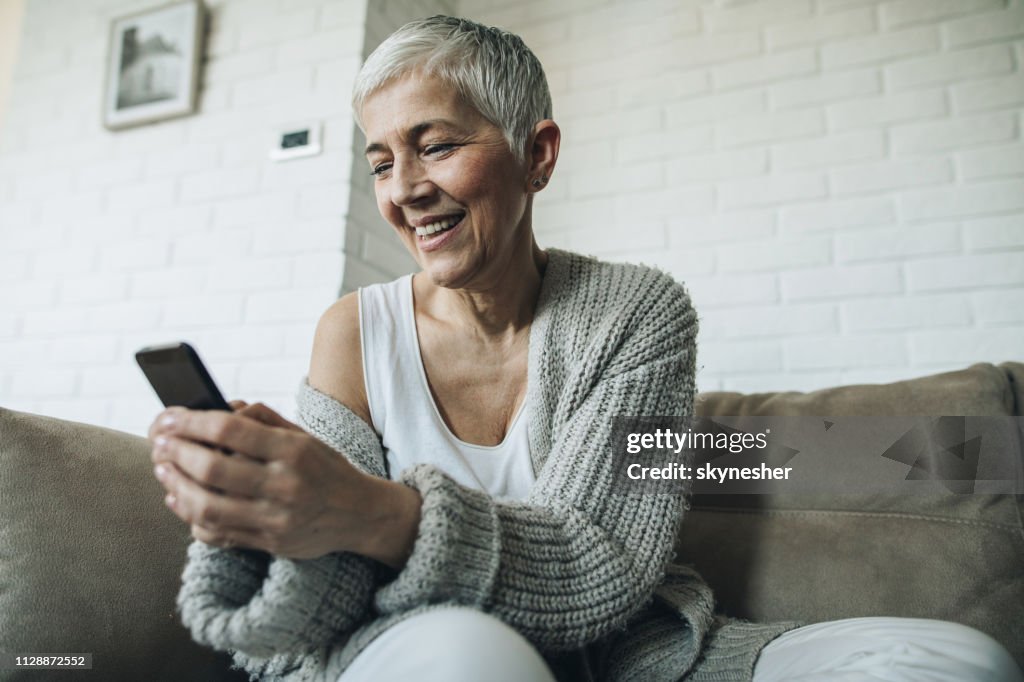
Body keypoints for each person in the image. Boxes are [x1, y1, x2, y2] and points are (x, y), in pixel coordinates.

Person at [149, 15, 1024, 682]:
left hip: (629, 658)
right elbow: (322, 608)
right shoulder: (354, 332)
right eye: (381, 162)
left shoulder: (635, 314)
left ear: (537, 155)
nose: (407, 191)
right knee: (467, 652)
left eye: (437, 146)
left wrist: (376, 514)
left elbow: (601, 564)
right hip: (423, 650)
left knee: (956, 658)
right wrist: (266, 519)